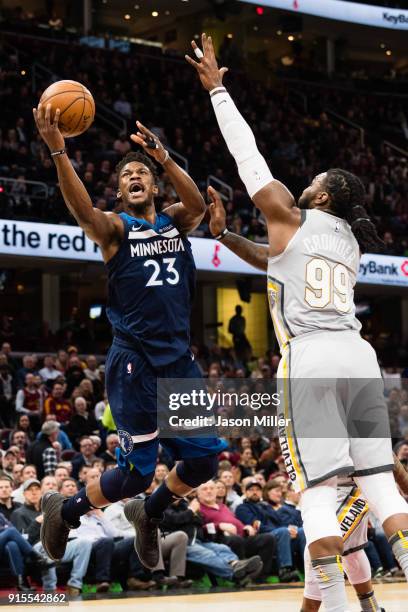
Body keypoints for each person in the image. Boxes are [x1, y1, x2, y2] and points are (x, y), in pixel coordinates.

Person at [189, 36, 408, 610]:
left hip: (310, 356)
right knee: (379, 480)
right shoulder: (350, 243)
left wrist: (217, 91)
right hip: (359, 357)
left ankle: (334, 604)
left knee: (316, 491)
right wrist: (223, 236)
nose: (306, 180)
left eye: (317, 177)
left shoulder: (291, 209)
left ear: (326, 192)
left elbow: (249, 158)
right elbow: (272, 259)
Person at [33, 103, 226, 568]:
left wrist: (161, 156)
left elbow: (198, 205)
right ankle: (67, 511)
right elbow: (82, 211)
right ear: (120, 191)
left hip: (179, 362)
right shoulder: (117, 230)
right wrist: (60, 151)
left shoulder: (176, 221)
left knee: (203, 464)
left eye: (142, 173)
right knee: (136, 473)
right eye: (127, 175)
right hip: (135, 362)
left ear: (155, 185)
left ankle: (151, 512)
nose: (135, 177)